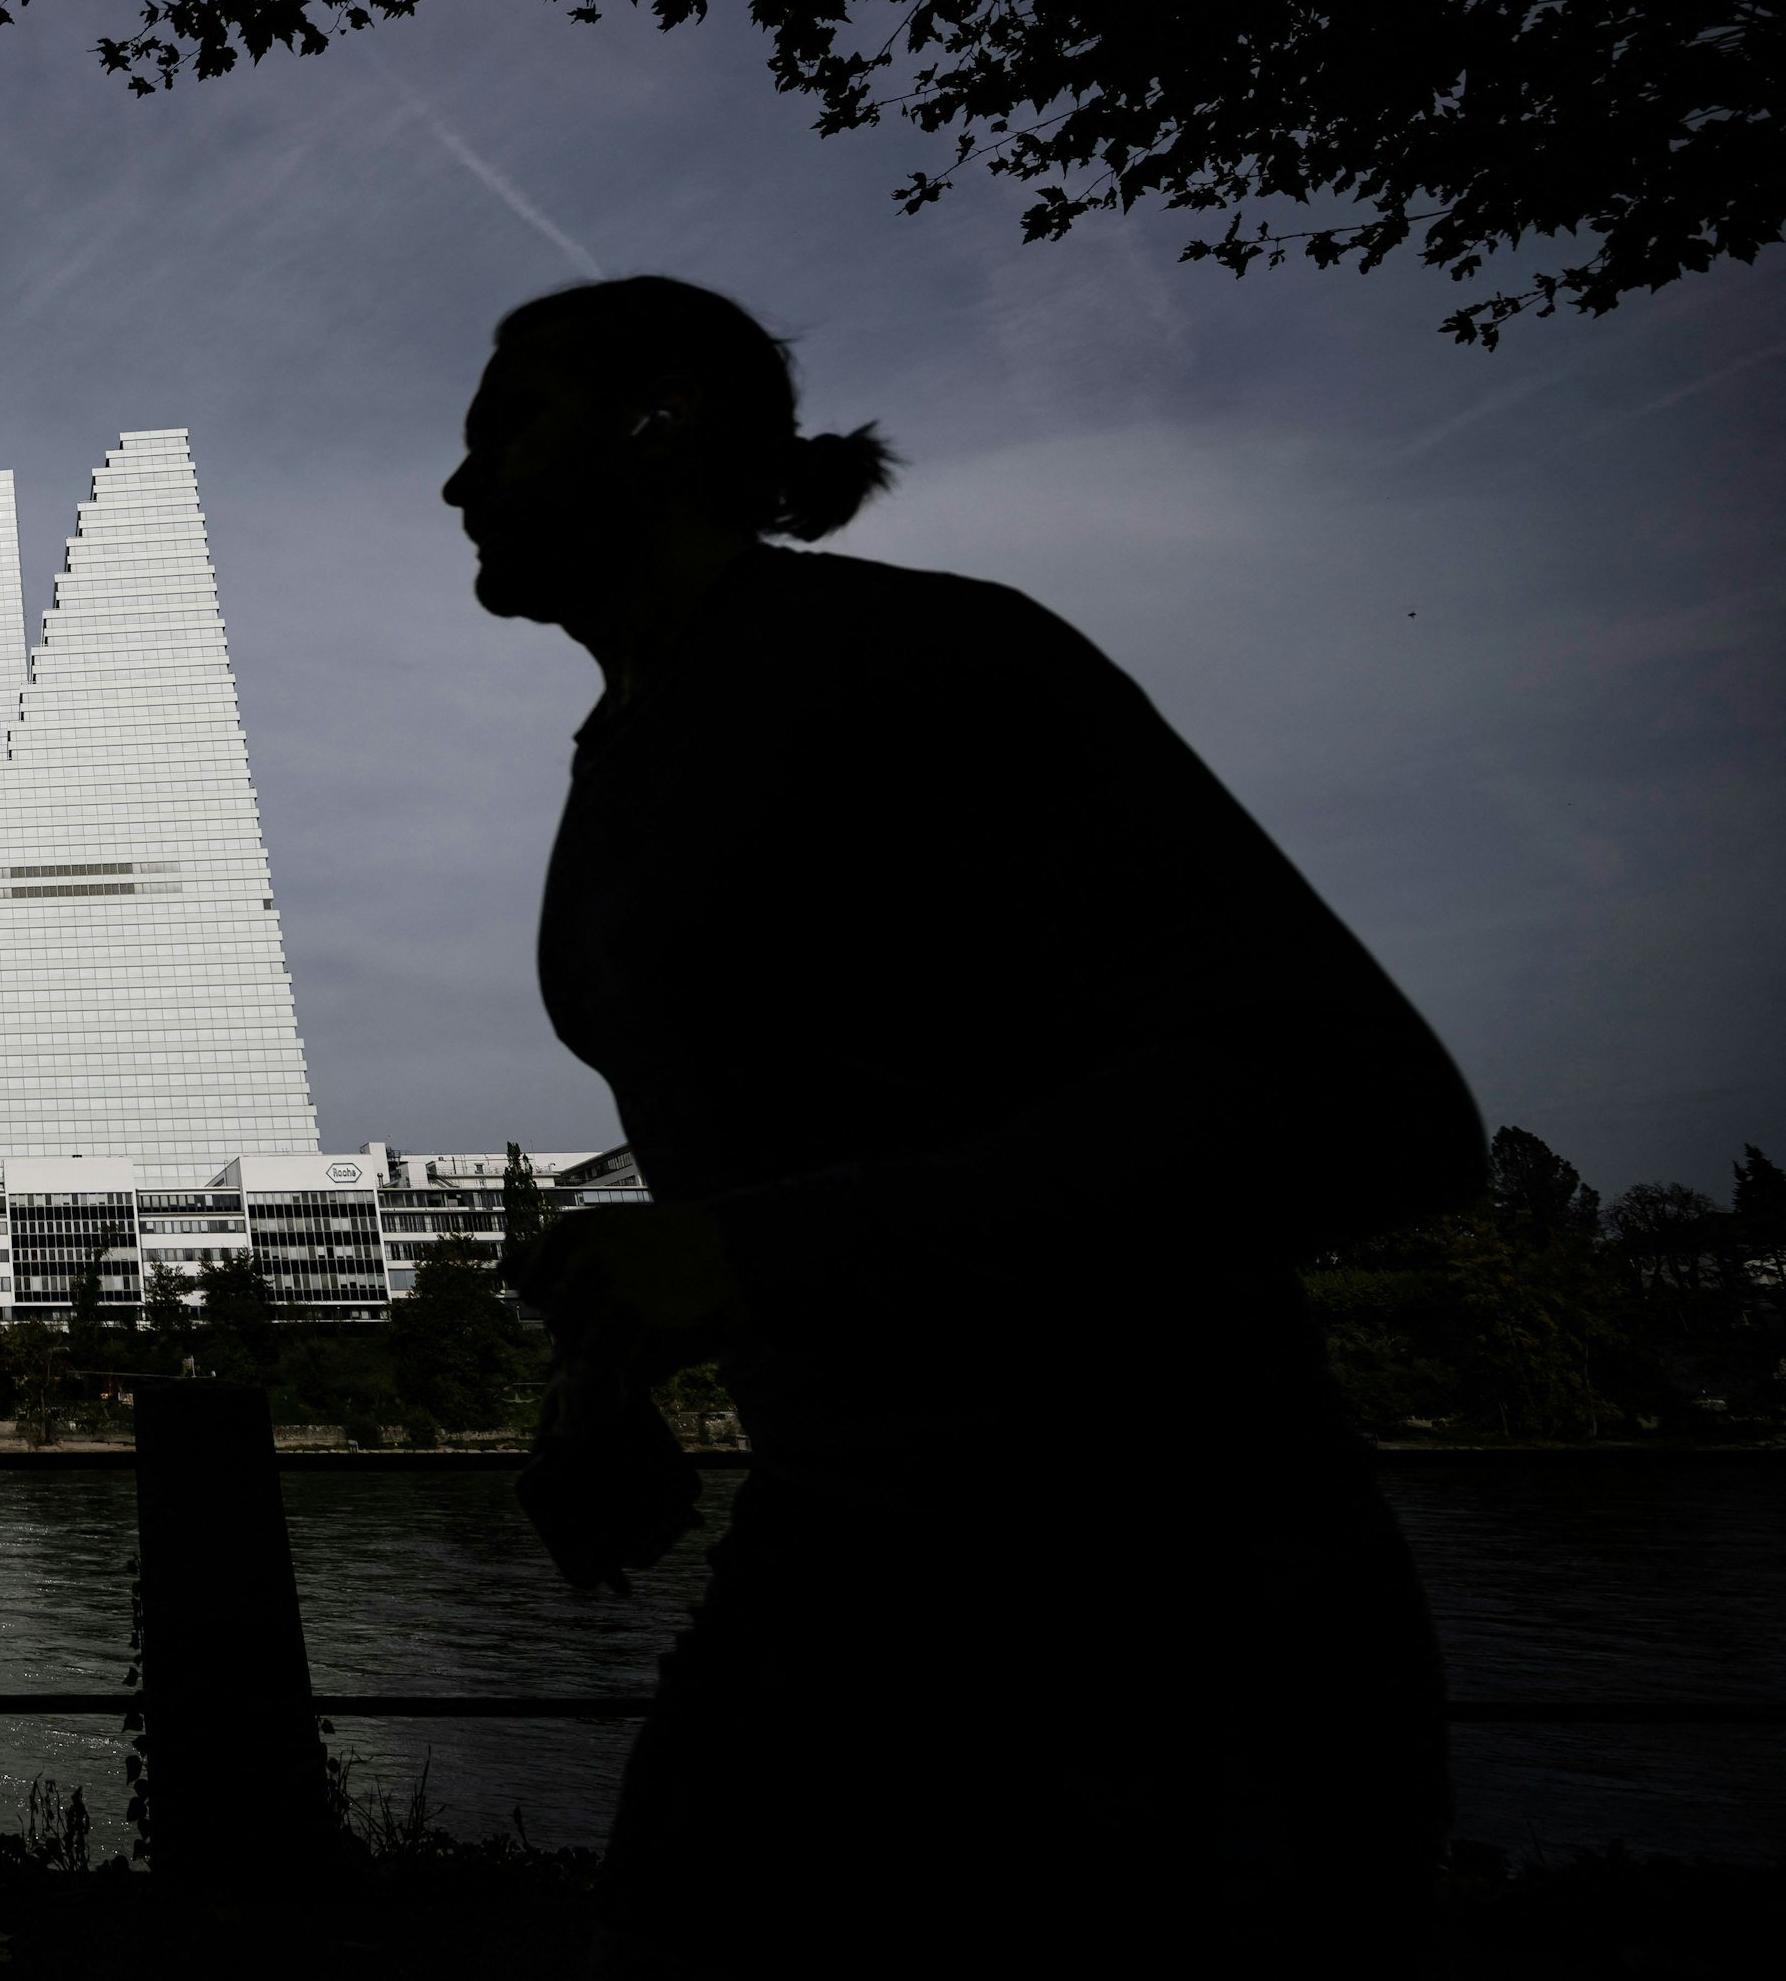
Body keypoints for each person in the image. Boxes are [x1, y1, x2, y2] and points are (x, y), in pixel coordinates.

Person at [443, 278, 1480, 1976]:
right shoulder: (618, 763)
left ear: (660, 426)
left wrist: (752, 1256)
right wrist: (608, 1376)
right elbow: (773, 1156)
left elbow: (1367, 1107)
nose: (458, 483)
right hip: (841, 1570)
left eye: (506, 424)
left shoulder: (922, 660)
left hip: (1167, 1593)